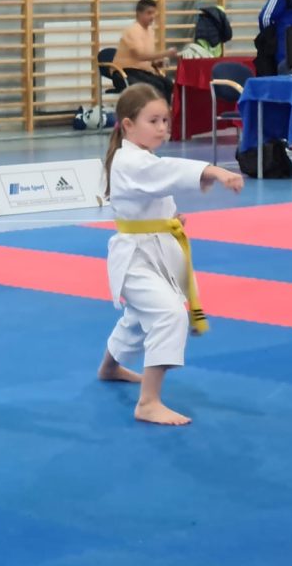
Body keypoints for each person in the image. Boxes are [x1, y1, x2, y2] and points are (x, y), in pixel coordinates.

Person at [96, 84, 244, 426]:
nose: (162, 128)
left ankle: (109, 367)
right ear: (128, 125)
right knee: (168, 314)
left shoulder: (139, 157)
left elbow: (151, 194)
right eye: (153, 121)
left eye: (165, 120)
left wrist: (169, 218)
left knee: (138, 317)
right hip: (135, 260)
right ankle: (148, 402)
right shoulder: (131, 161)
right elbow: (168, 173)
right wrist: (215, 171)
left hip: (152, 251)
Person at [113, 0, 177, 101]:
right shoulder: (133, 30)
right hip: (125, 73)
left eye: (154, 13)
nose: (152, 16)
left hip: (142, 72)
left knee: (169, 84)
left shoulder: (150, 31)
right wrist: (165, 53)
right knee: (157, 87)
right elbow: (140, 56)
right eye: (149, 13)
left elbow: (147, 58)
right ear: (139, 13)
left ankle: (164, 110)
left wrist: (156, 63)